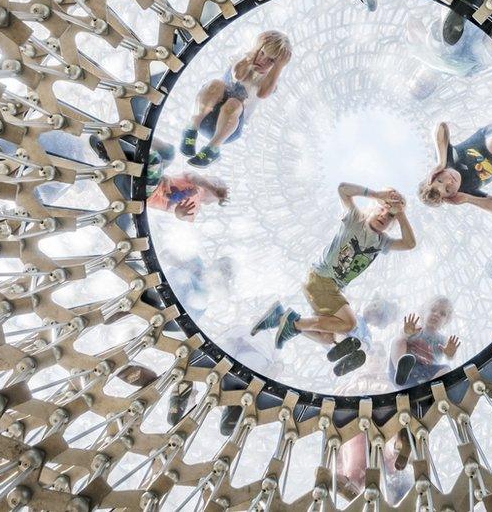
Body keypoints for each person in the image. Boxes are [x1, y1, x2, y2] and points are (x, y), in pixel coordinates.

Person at [250, 183, 416, 375]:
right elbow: (343, 189)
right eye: (382, 209)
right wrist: (377, 194)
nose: (384, 216)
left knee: (327, 338)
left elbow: (410, 243)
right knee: (350, 323)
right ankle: (293, 323)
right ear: (372, 207)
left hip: (330, 288)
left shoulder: (382, 242)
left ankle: (278, 317)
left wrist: (401, 213)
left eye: (390, 216)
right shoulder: (356, 219)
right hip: (321, 279)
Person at [180, 31, 292, 167]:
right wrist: (253, 53)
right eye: (262, 53)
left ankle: (212, 149)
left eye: (271, 61)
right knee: (216, 84)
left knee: (234, 103)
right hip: (207, 114)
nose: (263, 60)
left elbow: (263, 93)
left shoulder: (268, 80)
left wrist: (278, 67)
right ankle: (191, 129)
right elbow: (238, 75)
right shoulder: (243, 58)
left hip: (227, 128)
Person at [390, 296, 461, 387]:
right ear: (423, 312)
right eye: (433, 310)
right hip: (409, 365)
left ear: (446, 321)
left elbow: (450, 357)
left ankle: (431, 389)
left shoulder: (443, 340)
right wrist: (406, 332)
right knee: (398, 340)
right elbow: (402, 337)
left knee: (446, 369)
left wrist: (450, 354)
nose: (436, 314)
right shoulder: (415, 328)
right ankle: (399, 370)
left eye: (442, 314)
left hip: (427, 373)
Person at [145, 170, 228, 222]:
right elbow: (195, 177)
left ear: (207, 202)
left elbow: (185, 217)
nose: (218, 186)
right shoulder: (193, 178)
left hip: (149, 196)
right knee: (164, 156)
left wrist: (180, 214)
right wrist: (211, 188)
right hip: (155, 180)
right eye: (216, 182)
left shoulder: (196, 207)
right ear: (206, 176)